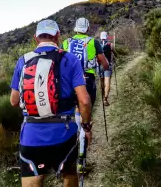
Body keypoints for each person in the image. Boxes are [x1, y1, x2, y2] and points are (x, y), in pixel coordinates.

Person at [9, 19, 93, 187]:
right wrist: (86, 127)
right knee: (69, 177)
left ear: (36, 38)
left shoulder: (22, 61)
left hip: (31, 137)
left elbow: (13, 101)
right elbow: (84, 100)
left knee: (33, 181)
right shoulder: (69, 59)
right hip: (64, 134)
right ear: (58, 36)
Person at [62, 17, 109, 174]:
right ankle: (81, 160)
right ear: (87, 28)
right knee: (84, 119)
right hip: (87, 83)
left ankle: (70, 156)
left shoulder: (66, 43)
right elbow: (105, 64)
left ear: (75, 28)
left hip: (68, 84)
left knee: (75, 116)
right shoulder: (93, 42)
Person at [99, 31, 116, 106]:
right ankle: (105, 99)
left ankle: (103, 95)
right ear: (106, 37)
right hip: (108, 65)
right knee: (107, 81)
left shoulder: (97, 44)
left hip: (100, 66)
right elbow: (114, 53)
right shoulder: (110, 44)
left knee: (102, 81)